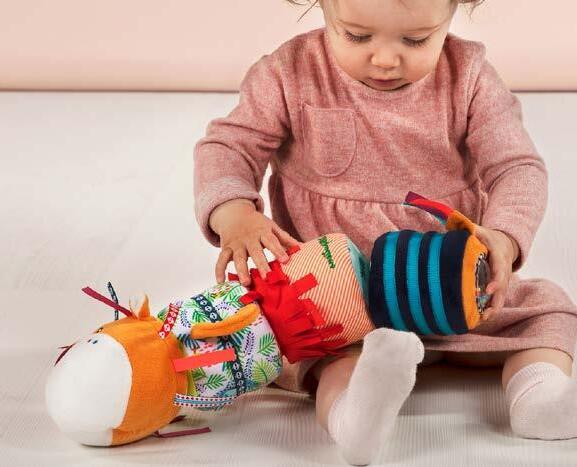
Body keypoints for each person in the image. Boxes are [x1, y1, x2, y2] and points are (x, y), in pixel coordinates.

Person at [193, 0, 577, 464]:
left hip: (453, 288)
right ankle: (353, 417)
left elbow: (516, 167)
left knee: (544, 311)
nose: (385, 59)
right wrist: (234, 212)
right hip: (337, 300)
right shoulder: (287, 73)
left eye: (415, 40)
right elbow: (228, 147)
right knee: (316, 354)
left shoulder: (469, 78)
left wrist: (504, 235)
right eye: (357, 36)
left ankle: (539, 397)